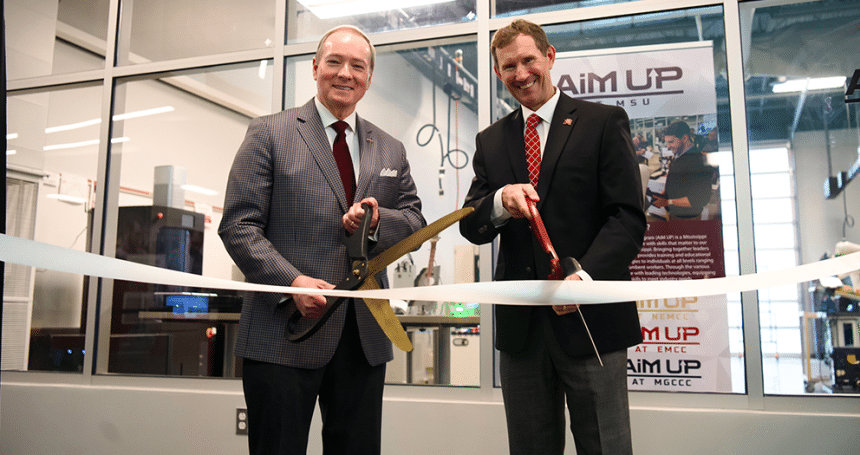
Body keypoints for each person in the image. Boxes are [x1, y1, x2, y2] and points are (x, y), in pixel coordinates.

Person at [219, 25, 426, 455]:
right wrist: (292, 281)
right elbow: (239, 225)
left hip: (362, 336)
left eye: (358, 65)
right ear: (315, 67)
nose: (345, 73)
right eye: (334, 61)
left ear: (369, 78)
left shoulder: (390, 149)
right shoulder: (269, 133)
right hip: (283, 333)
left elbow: (413, 222)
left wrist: (374, 223)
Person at [459, 19, 646, 455]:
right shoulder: (491, 141)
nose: (521, 74)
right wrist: (501, 201)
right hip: (522, 333)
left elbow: (628, 219)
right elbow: (472, 226)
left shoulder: (603, 122)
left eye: (528, 60)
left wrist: (584, 280)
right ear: (497, 73)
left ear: (550, 56)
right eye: (509, 66)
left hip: (592, 321)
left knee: (605, 446)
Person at [651, 120, 714, 220]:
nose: (668, 146)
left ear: (684, 138)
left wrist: (668, 202)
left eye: (671, 142)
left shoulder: (698, 161)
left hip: (687, 218)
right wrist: (666, 193)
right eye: (666, 142)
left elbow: (700, 199)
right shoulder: (679, 155)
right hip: (674, 214)